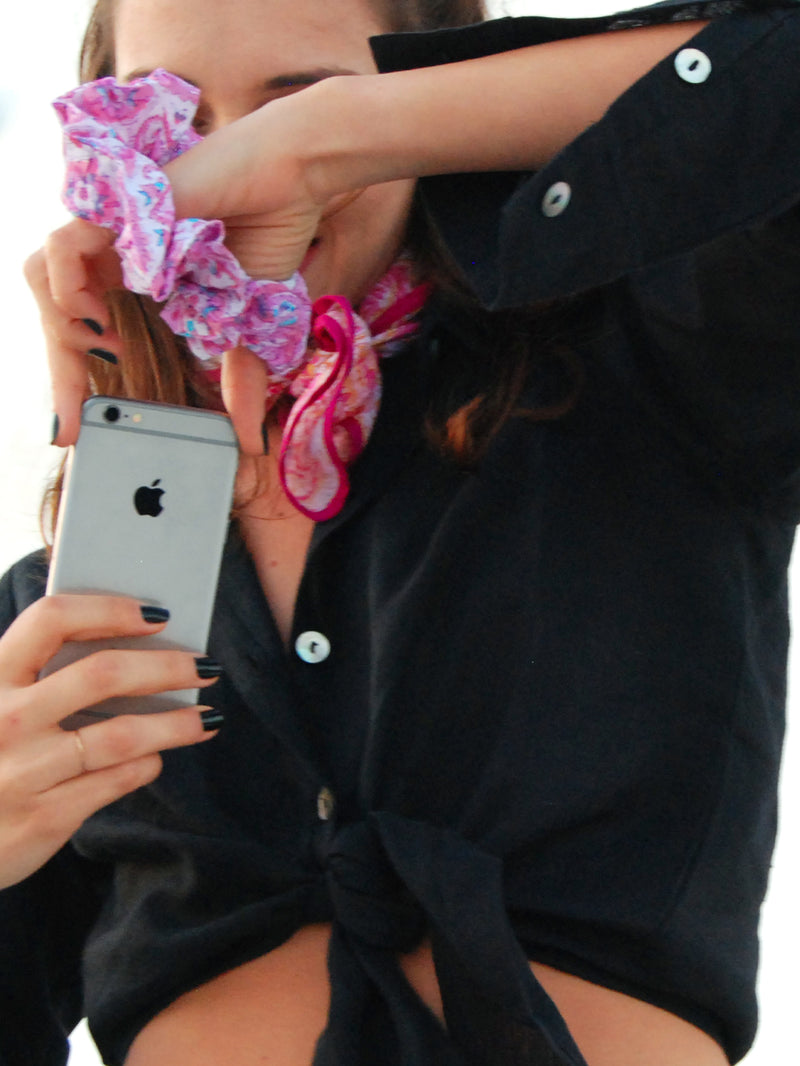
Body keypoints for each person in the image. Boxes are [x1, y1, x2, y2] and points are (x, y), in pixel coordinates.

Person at [2, 0, 799, 1063]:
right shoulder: (56, 617)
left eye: (301, 102)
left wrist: (330, 144)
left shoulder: (654, 380)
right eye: (170, 120)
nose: (234, 158)